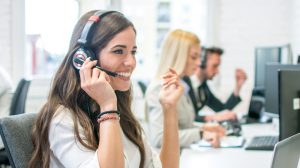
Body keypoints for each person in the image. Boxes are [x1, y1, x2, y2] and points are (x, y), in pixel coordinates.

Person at [28, 10, 182, 168]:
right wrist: (108, 107)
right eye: (118, 51)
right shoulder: (63, 119)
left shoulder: (121, 112)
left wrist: (169, 109)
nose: (131, 62)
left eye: (133, 52)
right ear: (85, 58)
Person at [146, 29, 225, 148]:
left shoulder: (181, 84)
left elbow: (183, 127)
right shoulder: (160, 88)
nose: (199, 63)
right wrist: (201, 133)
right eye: (194, 57)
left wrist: (204, 127)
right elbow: (159, 138)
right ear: (178, 56)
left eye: (199, 57)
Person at [183, 47, 247, 122]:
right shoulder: (183, 84)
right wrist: (210, 118)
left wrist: (238, 87)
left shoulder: (203, 88)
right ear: (201, 63)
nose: (217, 71)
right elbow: (182, 117)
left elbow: (222, 110)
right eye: (214, 66)